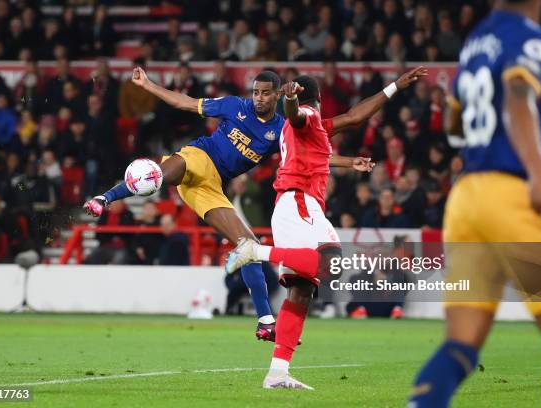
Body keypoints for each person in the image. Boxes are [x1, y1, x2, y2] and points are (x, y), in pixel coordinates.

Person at [408, 1, 541, 407]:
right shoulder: (537, 39)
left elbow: (454, 121)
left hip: (467, 202)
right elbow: (516, 97)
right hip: (513, 202)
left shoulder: (477, 41)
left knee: (461, 345)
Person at [225, 66, 426, 389]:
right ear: (317, 100)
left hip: (296, 205)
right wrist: (290, 99)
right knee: (332, 263)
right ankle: (254, 250)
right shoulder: (307, 113)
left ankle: (277, 372)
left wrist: (350, 160)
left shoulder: (313, 129)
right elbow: (300, 115)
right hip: (299, 202)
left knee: (302, 291)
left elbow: (352, 118)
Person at [84, 68, 286, 342]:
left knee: (250, 247)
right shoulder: (235, 106)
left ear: (277, 95)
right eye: (255, 92)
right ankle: (104, 198)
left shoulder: (281, 129)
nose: (258, 98)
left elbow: (308, 153)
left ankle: (265, 322)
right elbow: (185, 102)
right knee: (155, 177)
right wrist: (148, 84)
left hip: (210, 187)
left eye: (264, 93)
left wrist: (348, 162)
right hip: (198, 157)